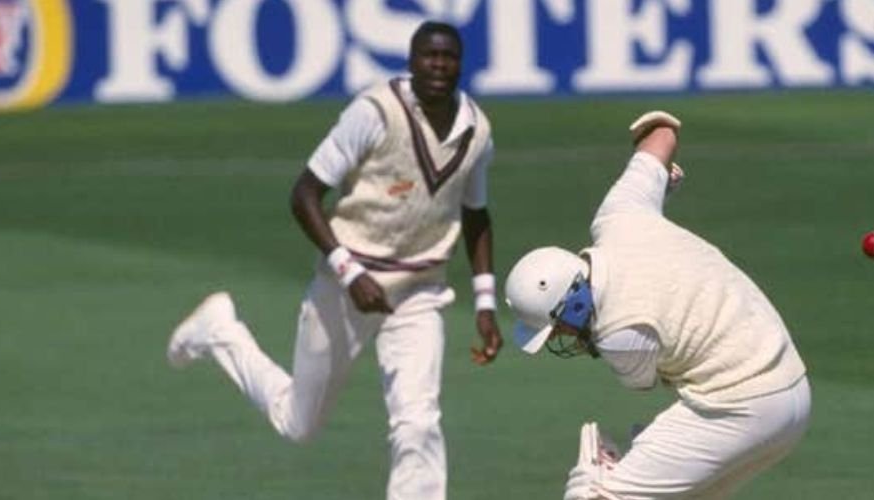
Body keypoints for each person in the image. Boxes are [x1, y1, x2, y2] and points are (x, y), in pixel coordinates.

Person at [166, 21, 502, 500]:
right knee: (298, 424)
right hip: (347, 285)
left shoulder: (477, 131)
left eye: (448, 57)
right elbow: (304, 195)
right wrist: (350, 271)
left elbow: (476, 215)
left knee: (418, 421)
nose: (438, 66)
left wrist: (486, 304)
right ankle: (220, 332)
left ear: (460, 64)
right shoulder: (375, 112)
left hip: (420, 290)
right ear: (411, 61)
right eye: (429, 56)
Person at [503, 111, 811, 500]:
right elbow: (662, 134)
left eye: (558, 327)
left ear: (574, 304)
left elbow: (642, 379)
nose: (564, 336)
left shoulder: (621, 335)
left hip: (738, 407)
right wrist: (657, 178)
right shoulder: (620, 216)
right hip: (793, 391)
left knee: (597, 494)